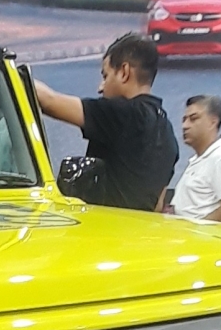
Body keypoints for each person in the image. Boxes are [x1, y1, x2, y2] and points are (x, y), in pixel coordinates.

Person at [33, 33, 178, 211]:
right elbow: (158, 206)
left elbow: (49, 101)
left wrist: (9, 74)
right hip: (140, 227)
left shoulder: (124, 114)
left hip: (103, 225)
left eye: (105, 76)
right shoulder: (168, 133)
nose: (100, 87)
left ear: (124, 72)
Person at [170, 95, 221, 222]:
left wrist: (197, 228)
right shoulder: (200, 158)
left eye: (193, 119)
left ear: (212, 122)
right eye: (184, 120)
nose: (185, 126)